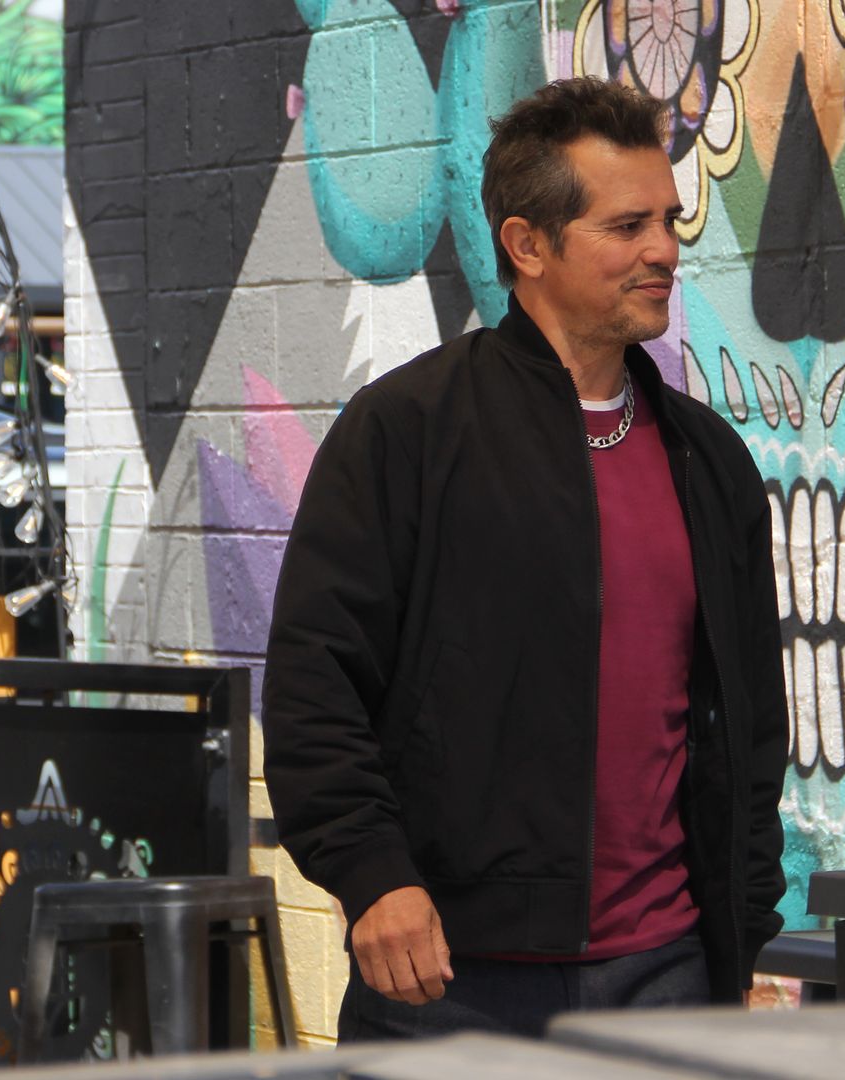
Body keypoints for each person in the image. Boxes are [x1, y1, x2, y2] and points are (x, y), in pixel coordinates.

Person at [261, 77, 789, 1040]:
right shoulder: (409, 432)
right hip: (449, 978)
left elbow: (750, 724)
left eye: (669, 220)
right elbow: (313, 685)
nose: (664, 251)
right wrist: (373, 878)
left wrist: (745, 931)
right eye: (627, 226)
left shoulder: (707, 461)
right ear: (528, 244)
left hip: (667, 975)